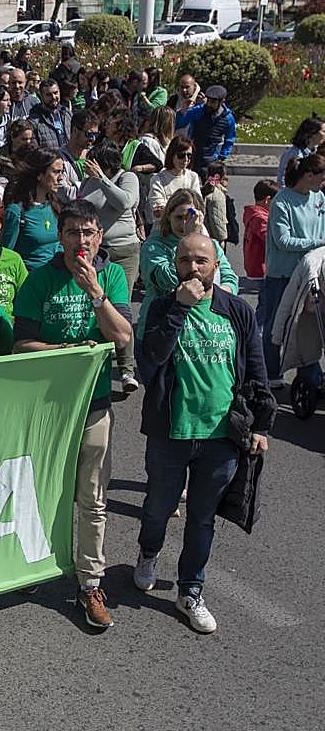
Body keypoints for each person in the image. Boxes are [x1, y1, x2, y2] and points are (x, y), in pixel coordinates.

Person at [135, 234, 271, 634]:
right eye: (185, 260)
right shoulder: (162, 307)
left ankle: (190, 589)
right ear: (174, 264)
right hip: (170, 433)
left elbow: (255, 368)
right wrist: (180, 308)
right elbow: (151, 361)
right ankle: (148, 553)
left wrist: (261, 425)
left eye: (201, 261)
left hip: (220, 435)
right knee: (159, 507)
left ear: (216, 265)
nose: (192, 268)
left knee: (203, 518)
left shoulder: (236, 311)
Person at [13, 200, 133, 629]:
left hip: (95, 405)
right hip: (49, 408)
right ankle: (37, 564)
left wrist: (96, 294)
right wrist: (60, 352)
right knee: (46, 491)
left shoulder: (113, 275)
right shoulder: (40, 280)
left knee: (93, 499)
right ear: (59, 237)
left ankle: (90, 583)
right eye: (72, 233)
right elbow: (20, 344)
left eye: (88, 234)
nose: (81, 242)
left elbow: (121, 336)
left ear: (99, 237)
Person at [138, 189, 238, 351]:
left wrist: (218, 295)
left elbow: (231, 279)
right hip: (162, 329)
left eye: (189, 218)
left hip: (203, 330)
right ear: (168, 216)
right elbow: (167, 280)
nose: (185, 224)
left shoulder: (209, 244)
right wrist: (189, 239)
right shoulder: (154, 245)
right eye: (179, 217)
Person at [78, 140, 142, 391]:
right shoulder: (88, 181)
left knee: (119, 306)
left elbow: (125, 202)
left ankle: (127, 370)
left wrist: (103, 179)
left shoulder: (128, 178)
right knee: (97, 303)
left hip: (125, 251)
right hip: (98, 250)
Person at [261, 153, 325, 387]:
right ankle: (271, 373)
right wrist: (318, 243)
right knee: (275, 324)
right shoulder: (282, 200)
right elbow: (283, 241)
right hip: (282, 273)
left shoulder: (319, 198)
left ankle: (309, 373)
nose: (323, 182)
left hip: (311, 272)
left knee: (306, 326)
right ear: (308, 176)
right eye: (321, 177)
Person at [2, 148, 63, 271]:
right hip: (30, 280)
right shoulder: (17, 212)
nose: (61, 178)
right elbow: (6, 255)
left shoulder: (56, 206)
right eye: (56, 172)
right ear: (40, 175)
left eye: (62, 172)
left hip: (56, 278)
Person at [175, 85, 236, 174]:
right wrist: (182, 111)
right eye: (208, 101)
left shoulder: (228, 118)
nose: (209, 104)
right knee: (191, 185)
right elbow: (179, 124)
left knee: (213, 185)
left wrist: (222, 156)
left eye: (213, 102)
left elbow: (230, 139)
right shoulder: (198, 111)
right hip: (193, 156)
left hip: (213, 159)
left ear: (222, 101)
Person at [148, 135, 202, 223]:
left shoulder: (193, 177)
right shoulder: (158, 179)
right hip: (165, 226)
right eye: (181, 155)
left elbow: (197, 205)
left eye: (189, 156)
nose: (186, 160)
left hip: (190, 223)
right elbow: (158, 210)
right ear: (171, 155)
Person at [243, 179, 278, 279]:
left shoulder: (252, 214)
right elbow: (270, 238)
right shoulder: (260, 218)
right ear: (267, 200)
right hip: (260, 267)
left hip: (254, 264)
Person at [277, 117, 324, 188]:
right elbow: (282, 181)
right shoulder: (294, 154)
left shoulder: (314, 152)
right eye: (324, 131)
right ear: (312, 134)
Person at [28, 79, 72, 152]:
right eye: (48, 95)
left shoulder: (67, 113)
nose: (54, 97)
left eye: (55, 93)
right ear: (41, 96)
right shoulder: (34, 121)